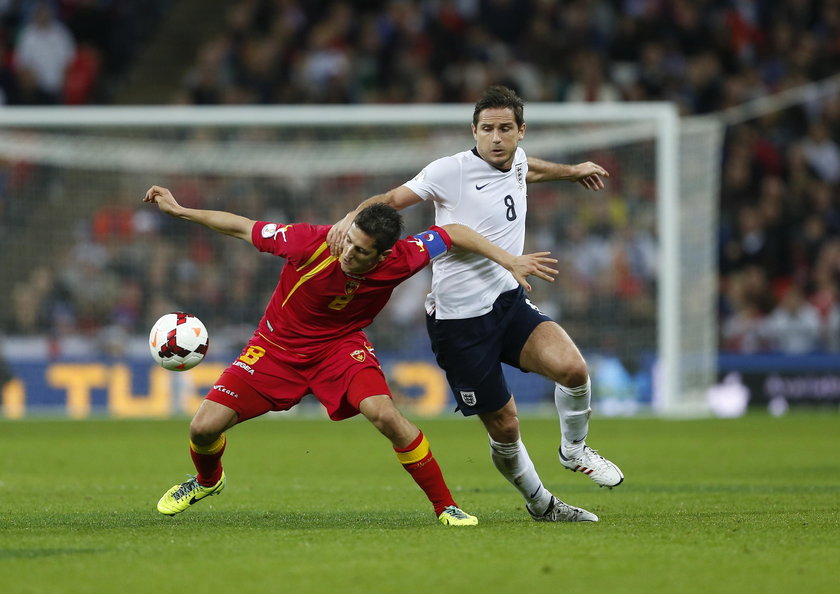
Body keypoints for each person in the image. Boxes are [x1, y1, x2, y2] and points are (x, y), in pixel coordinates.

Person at [143, 184, 560, 526]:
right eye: (350, 241)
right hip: (274, 349)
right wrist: (181, 211)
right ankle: (206, 480)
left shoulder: (404, 258)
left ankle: (446, 507)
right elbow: (242, 226)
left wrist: (510, 261)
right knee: (202, 429)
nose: (348, 252)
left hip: (340, 349)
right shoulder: (309, 240)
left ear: (383, 255)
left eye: (361, 251)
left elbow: (453, 232)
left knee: (386, 415)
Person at [328, 85, 623, 523]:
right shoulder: (450, 171)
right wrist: (351, 216)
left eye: (506, 129)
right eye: (488, 129)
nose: (497, 138)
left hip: (506, 301)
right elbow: (391, 200)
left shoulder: (517, 159)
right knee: (505, 427)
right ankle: (542, 504)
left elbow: (527, 170)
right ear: (474, 130)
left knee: (574, 369)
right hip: (459, 322)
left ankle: (573, 449)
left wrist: (572, 170)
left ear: (521, 131)